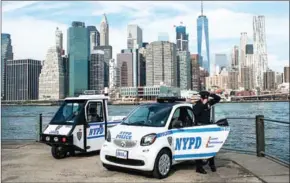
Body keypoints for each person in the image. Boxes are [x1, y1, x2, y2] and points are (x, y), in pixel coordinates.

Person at [192, 90, 221, 174]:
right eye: (205, 97)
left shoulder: (209, 103)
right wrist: (202, 104)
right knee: (200, 148)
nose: (206, 99)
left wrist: (212, 94)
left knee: (210, 146)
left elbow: (218, 99)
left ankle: (212, 164)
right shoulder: (197, 105)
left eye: (207, 97)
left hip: (208, 127)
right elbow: (196, 113)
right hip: (200, 128)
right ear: (201, 97)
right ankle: (199, 167)